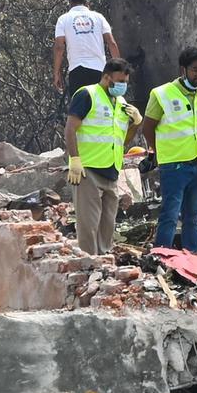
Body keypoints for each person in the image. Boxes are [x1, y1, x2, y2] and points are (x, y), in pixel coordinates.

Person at [64, 58, 142, 255]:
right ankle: (88, 265)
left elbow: (123, 140)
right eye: (119, 81)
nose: (122, 86)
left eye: (126, 81)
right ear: (107, 77)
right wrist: (74, 159)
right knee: (88, 224)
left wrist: (135, 123)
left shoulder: (121, 103)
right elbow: (71, 128)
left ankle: (104, 264)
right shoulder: (87, 94)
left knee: (107, 224)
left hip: (112, 170)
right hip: (87, 169)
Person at [142, 47, 197, 253]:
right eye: (195, 70)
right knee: (170, 215)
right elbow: (147, 127)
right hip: (173, 165)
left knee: (193, 217)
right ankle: (161, 257)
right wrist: (158, 152)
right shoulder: (161, 93)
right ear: (183, 69)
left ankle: (192, 260)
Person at [53, 0, 121, 100]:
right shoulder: (99, 17)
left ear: (70, 2)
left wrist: (56, 73)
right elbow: (112, 43)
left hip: (77, 71)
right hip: (99, 71)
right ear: (87, 2)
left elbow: (59, 47)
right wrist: (118, 70)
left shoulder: (63, 19)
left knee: (79, 112)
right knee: (101, 108)